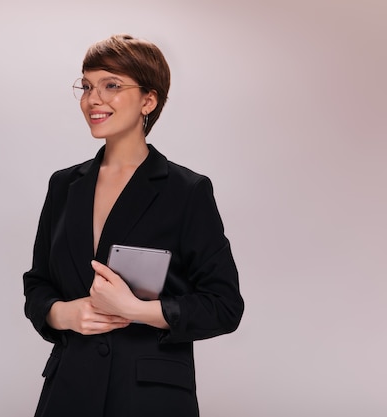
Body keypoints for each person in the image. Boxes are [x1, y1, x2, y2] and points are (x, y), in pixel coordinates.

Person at [23, 34, 244, 417]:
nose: (94, 99)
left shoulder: (186, 191)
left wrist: (136, 309)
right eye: (87, 86)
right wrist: (64, 314)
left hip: (149, 397)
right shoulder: (64, 185)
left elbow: (224, 306)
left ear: (149, 99)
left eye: (111, 85)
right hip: (69, 392)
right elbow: (38, 284)